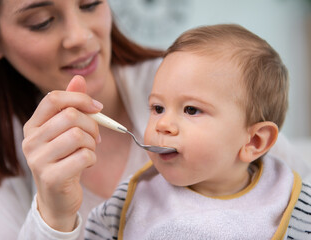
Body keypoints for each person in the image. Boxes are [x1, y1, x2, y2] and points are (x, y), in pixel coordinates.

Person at [0, 0, 309, 239]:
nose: (80, 36)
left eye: (91, 2)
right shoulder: (125, 204)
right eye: (41, 21)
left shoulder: (197, 80)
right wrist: (53, 216)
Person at [85, 24, 311, 240]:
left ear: (254, 141)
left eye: (191, 110)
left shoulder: (289, 200)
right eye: (158, 108)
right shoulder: (133, 199)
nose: (162, 124)